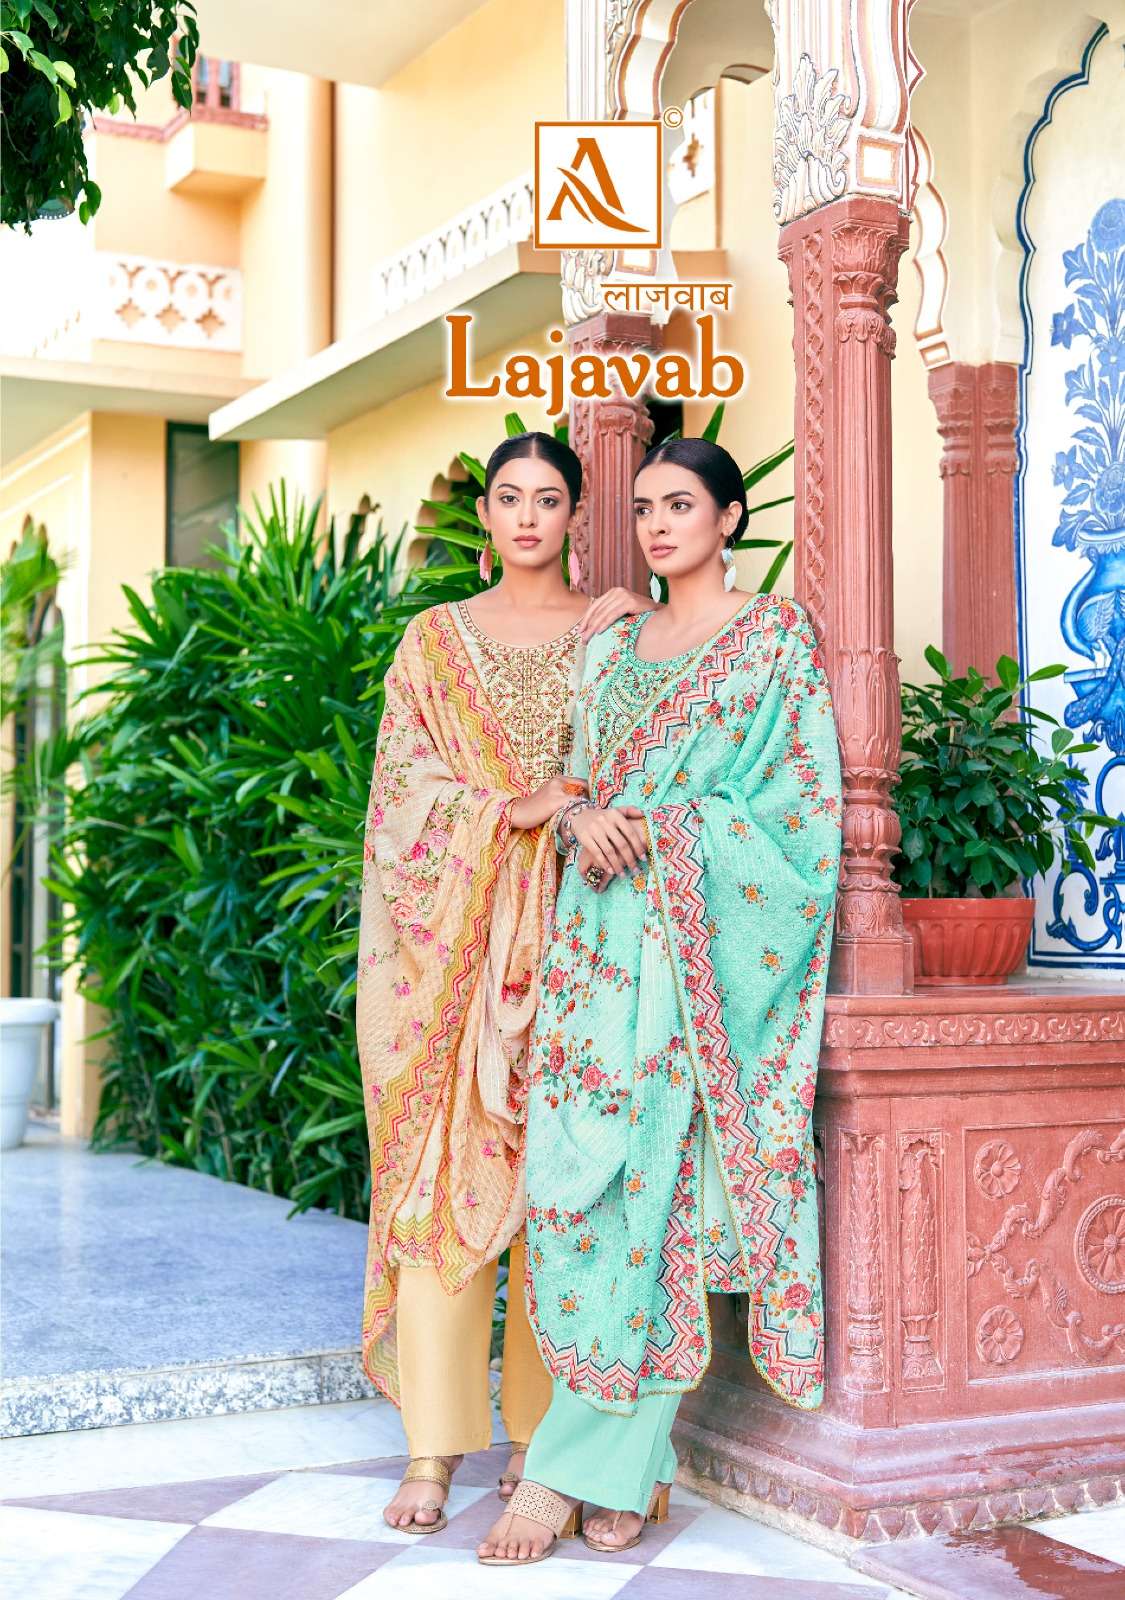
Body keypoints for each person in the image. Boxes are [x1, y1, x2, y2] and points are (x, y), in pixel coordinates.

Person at [477, 436, 843, 1567]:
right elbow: (583, 785)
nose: (656, 525)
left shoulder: (773, 640)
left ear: (729, 518)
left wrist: (674, 832)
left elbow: (800, 818)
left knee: (656, 1204)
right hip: (594, 958)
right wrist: (581, 819)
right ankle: (633, 1469)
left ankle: (566, 1470)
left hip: (693, 963)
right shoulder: (613, 646)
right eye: (642, 508)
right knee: (578, 1194)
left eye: (680, 505)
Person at [356, 430, 654, 1534]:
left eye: (548, 498)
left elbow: (645, 763)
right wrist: (509, 809)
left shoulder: (614, 632)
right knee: (440, 1183)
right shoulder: (433, 641)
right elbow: (400, 795)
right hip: (454, 955)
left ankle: (543, 1439)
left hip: (583, 932)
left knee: (562, 1184)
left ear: (577, 513)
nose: (527, 515)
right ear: (483, 514)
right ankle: (433, 1447)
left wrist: (574, 809)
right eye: (508, 497)